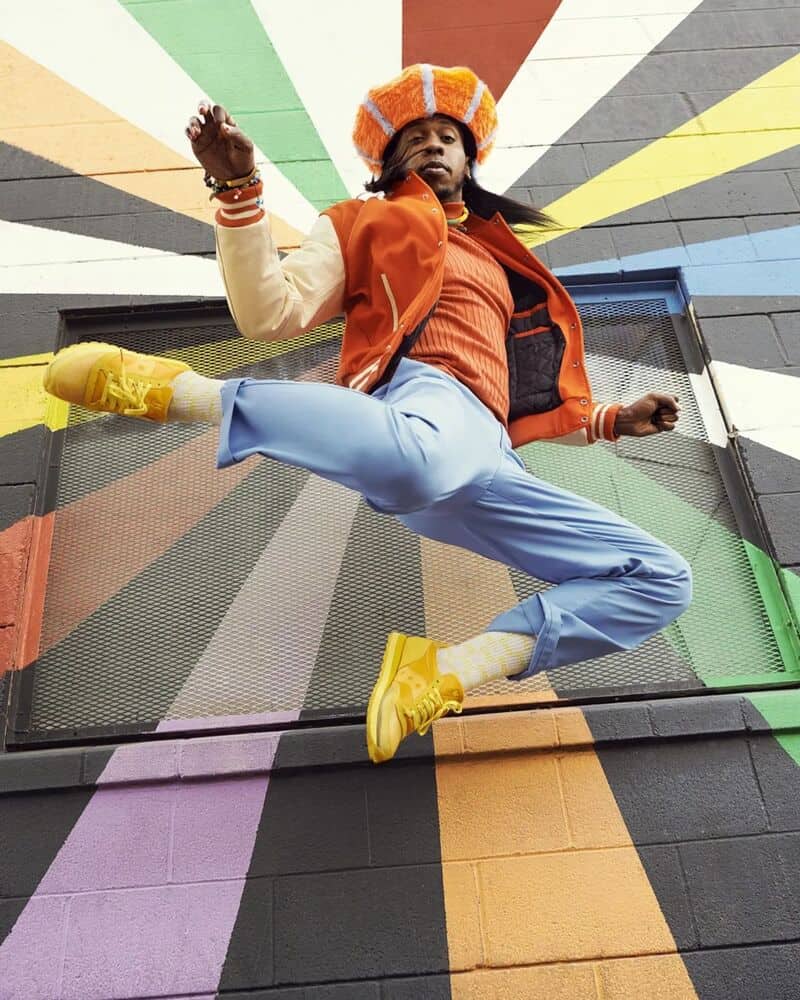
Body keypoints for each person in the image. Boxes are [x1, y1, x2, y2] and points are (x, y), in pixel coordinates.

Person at [43, 65, 691, 764]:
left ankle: (449, 671)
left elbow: (528, 390)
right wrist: (236, 192)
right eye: (417, 140)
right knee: (419, 464)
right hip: (420, 405)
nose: (435, 146)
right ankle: (182, 394)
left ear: (471, 159)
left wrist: (614, 420)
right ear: (389, 162)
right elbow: (271, 313)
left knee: (660, 578)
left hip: (484, 452)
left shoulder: (505, 263)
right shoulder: (364, 222)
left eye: (449, 137)